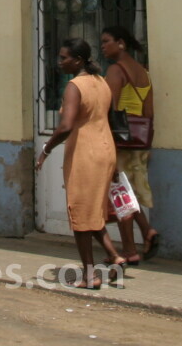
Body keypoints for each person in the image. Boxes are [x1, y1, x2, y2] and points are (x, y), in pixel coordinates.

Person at [35, 39, 121, 288]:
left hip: (86, 154)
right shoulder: (101, 82)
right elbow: (109, 120)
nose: (60, 62)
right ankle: (115, 257)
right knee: (93, 211)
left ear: (78, 61)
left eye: (64, 58)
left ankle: (90, 275)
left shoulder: (75, 86)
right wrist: (115, 164)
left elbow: (66, 126)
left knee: (81, 214)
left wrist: (46, 149)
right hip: (105, 150)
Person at [101, 25, 160, 262]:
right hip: (139, 140)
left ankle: (129, 250)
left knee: (120, 193)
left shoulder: (116, 70)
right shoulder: (143, 72)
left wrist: (107, 141)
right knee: (130, 192)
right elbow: (149, 111)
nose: (103, 46)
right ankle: (146, 231)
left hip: (120, 140)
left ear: (121, 43)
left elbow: (110, 109)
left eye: (106, 41)